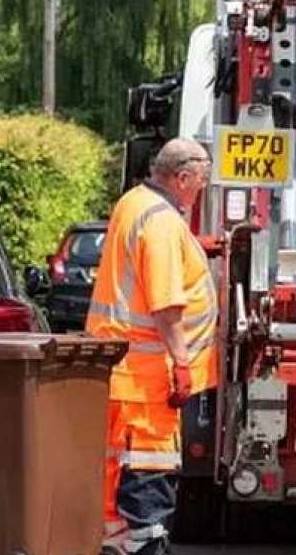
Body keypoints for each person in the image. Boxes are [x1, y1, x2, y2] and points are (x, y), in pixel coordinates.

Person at [87, 138, 219, 555]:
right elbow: (165, 304)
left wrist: (195, 248)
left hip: (120, 375)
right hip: (147, 385)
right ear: (182, 177)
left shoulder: (134, 202)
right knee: (148, 482)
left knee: (115, 494)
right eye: (201, 182)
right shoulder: (162, 222)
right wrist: (182, 363)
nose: (201, 191)